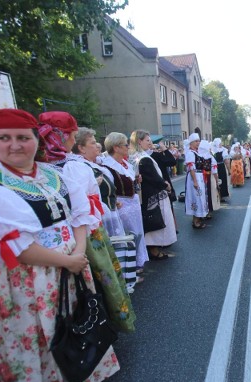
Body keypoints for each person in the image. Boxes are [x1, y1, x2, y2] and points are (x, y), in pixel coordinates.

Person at [0, 108, 119, 382]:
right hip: (20, 287)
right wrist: (68, 260)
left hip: (66, 275)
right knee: (28, 355)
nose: (15, 145)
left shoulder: (54, 175)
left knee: (66, 340)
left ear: (35, 140)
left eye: (23, 137)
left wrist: (78, 254)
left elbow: (79, 217)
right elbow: (12, 245)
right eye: (5, 138)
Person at [39, 112, 136, 331]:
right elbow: (81, 204)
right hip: (83, 231)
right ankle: (97, 325)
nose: (72, 141)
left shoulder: (54, 166)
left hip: (67, 234)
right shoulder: (70, 166)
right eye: (71, 136)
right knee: (97, 276)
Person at [101, 132, 150, 271]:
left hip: (133, 204)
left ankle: (137, 263)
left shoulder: (125, 163)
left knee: (137, 232)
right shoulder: (107, 166)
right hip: (123, 205)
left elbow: (128, 180)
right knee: (129, 235)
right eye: (125, 145)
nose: (128, 147)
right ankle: (130, 267)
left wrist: (135, 181)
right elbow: (109, 188)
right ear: (116, 148)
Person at [129, 130, 177, 260]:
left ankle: (153, 247)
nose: (150, 143)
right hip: (152, 194)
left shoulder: (135, 156)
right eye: (147, 140)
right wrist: (165, 185)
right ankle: (154, 249)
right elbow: (153, 178)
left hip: (143, 193)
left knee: (151, 219)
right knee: (156, 220)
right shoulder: (143, 159)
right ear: (139, 141)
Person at [184, 133, 209, 229]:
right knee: (196, 198)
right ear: (191, 142)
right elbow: (191, 168)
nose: (198, 143)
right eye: (196, 141)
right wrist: (195, 181)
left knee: (199, 198)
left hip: (199, 177)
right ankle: (196, 221)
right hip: (194, 177)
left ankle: (197, 219)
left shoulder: (196, 153)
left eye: (199, 141)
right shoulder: (190, 153)